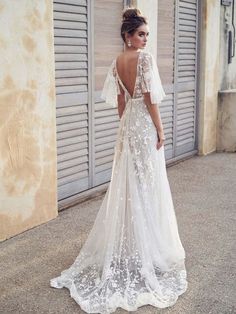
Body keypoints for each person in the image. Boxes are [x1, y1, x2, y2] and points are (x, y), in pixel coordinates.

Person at [50, 7, 188, 314]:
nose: (145, 39)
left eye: (146, 35)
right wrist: (160, 129)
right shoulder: (144, 60)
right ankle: (146, 249)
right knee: (147, 185)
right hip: (143, 125)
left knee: (131, 183)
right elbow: (151, 99)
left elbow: (121, 102)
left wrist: (126, 126)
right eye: (140, 34)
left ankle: (136, 245)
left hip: (128, 127)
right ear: (127, 36)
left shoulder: (116, 62)